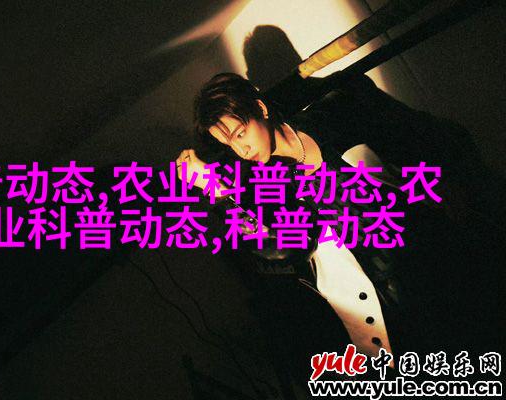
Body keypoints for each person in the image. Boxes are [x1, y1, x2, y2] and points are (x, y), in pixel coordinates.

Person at [175, 72, 503, 386]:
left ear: (260, 108)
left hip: (443, 256)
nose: (241, 150)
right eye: (228, 143)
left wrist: (450, 185)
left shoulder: (332, 116)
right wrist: (217, 193)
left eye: (240, 134)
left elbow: (422, 137)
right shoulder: (273, 187)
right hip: (397, 303)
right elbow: (281, 249)